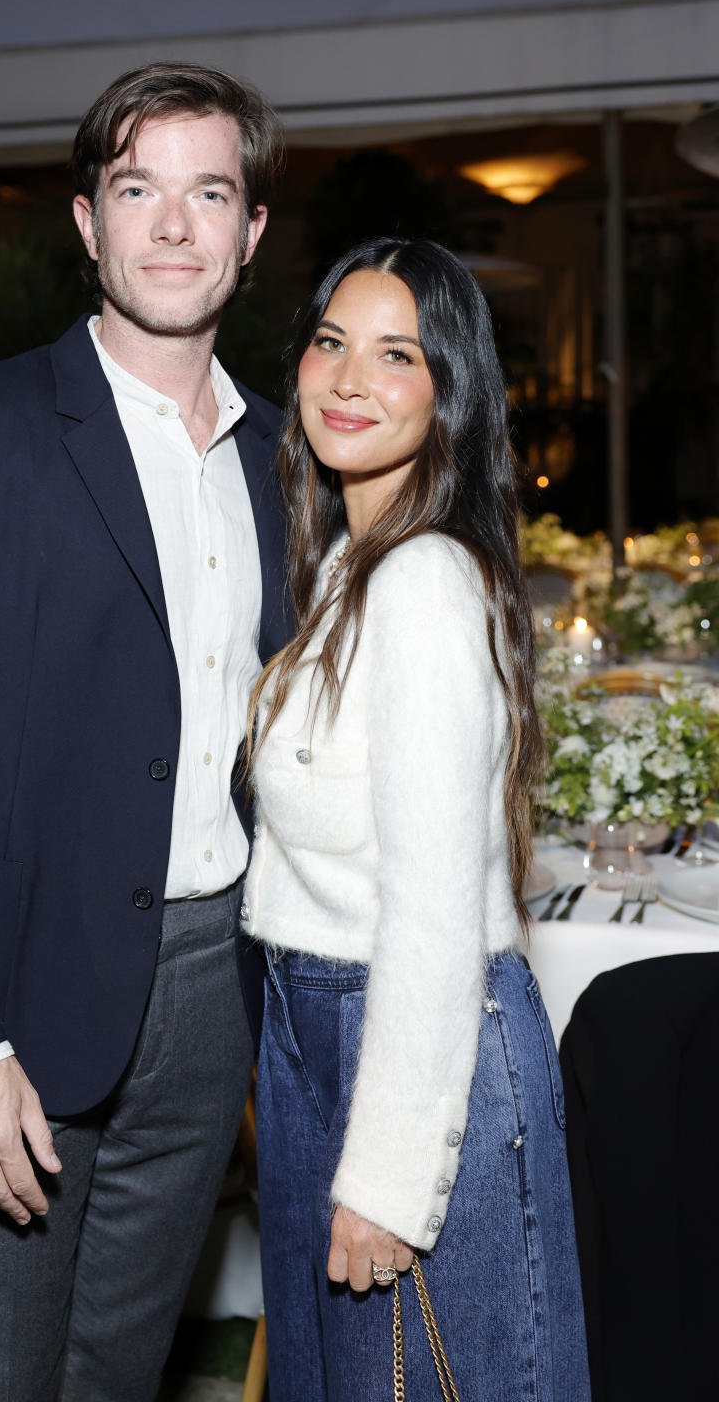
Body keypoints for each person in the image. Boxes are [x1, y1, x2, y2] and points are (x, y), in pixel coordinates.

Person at [0, 61, 287, 1401]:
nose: (171, 226)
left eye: (208, 193)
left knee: (118, 1374)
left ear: (251, 232)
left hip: (210, 993)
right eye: (136, 188)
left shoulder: (283, 459)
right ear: (87, 221)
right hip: (17, 998)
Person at [241, 238, 590, 1399]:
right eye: (331, 342)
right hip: (321, 1031)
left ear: (451, 392)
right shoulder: (351, 564)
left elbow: (437, 910)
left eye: (397, 355)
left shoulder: (424, 582)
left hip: (413, 1046)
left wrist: (391, 1178)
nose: (348, 379)